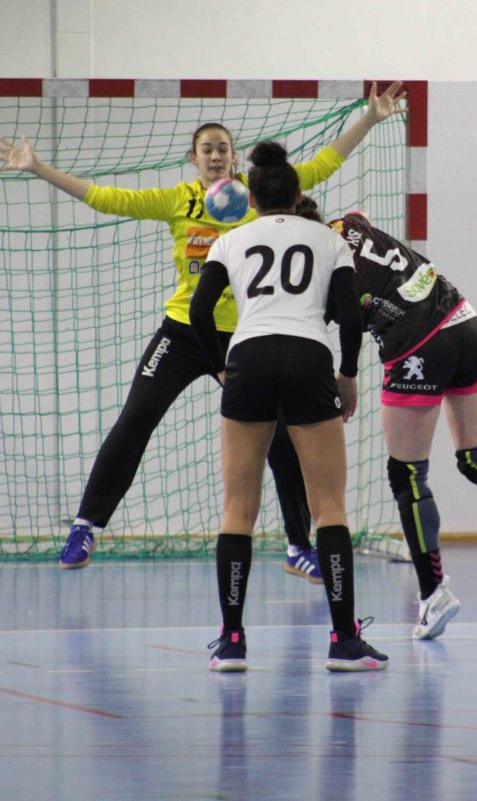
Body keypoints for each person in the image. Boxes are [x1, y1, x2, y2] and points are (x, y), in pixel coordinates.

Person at [0, 82, 406, 574]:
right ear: (193, 158)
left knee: (283, 438)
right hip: (184, 332)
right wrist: (38, 168)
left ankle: (299, 547)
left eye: (223, 148)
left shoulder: (261, 193)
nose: (215, 155)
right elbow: (106, 198)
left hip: (249, 336)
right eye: (207, 149)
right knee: (136, 417)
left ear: (234, 157)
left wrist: (369, 118)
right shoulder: (180, 200)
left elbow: (324, 163)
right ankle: (86, 526)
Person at [297, 198, 477, 640]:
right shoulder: (349, 223)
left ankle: (433, 593)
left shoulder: (318, 263)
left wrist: (344, 375)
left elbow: (345, 321)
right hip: (462, 319)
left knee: (407, 474)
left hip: (416, 342)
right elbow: (363, 222)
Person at [189, 141, 389, 672]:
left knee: (238, 509)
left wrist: (220, 367)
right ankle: (343, 640)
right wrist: (348, 375)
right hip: (308, 357)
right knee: (330, 508)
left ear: (251, 198)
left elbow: (200, 311)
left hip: (249, 357)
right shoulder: (328, 241)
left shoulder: (230, 241)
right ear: (299, 196)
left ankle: (232, 641)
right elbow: (350, 316)